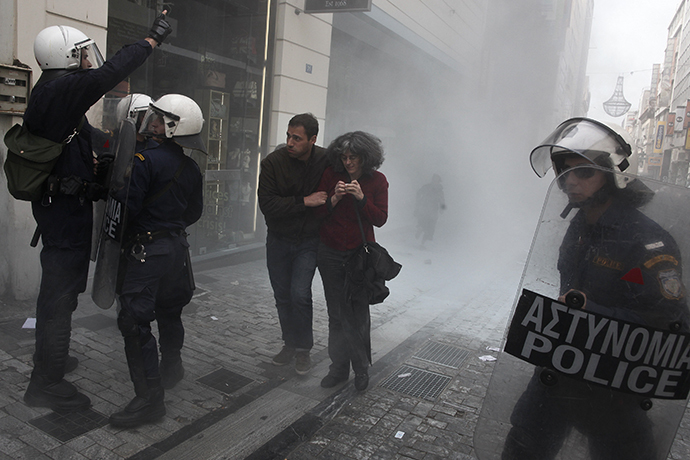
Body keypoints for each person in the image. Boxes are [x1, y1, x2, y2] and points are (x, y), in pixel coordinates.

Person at [502, 117, 690, 460]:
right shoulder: (579, 225)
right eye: (565, 172)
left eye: (584, 172)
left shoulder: (648, 241)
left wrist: (593, 313)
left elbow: (670, 323)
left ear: (612, 175)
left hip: (613, 385)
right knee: (523, 448)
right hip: (559, 370)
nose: (571, 181)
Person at [20, 13, 172, 413]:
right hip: (64, 216)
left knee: (60, 294)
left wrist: (129, 144)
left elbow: (93, 139)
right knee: (59, 297)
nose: (90, 60)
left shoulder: (53, 97)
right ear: (67, 56)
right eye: (83, 53)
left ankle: (49, 361)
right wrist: (150, 41)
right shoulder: (60, 91)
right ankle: (46, 383)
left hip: (60, 213)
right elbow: (109, 73)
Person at [109, 94, 204, 428]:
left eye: (160, 119)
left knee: (134, 322)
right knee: (169, 309)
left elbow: (125, 209)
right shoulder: (191, 167)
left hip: (146, 251)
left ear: (174, 127)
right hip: (176, 250)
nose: (152, 123)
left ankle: (149, 400)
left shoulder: (144, 161)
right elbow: (194, 212)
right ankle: (172, 367)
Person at [315, 131, 388, 391]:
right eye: (344, 157)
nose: (348, 163)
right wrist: (334, 198)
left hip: (359, 255)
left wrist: (361, 199)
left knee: (358, 314)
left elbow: (380, 218)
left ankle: (361, 369)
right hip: (330, 252)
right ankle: (338, 368)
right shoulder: (331, 176)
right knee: (336, 314)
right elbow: (318, 213)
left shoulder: (377, 180)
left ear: (365, 157)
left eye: (353, 158)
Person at [257, 113, 328, 375]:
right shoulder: (272, 163)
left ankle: (303, 350)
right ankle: (290, 343)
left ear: (312, 139)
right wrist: (304, 201)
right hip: (277, 240)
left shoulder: (324, 159)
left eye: (296, 138)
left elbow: (350, 165)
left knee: (300, 293)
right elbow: (267, 205)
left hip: (308, 241)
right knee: (282, 296)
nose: (289, 142)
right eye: (288, 136)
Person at [414, 173, 445, 248]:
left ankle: (421, 229)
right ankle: (423, 242)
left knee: (425, 223)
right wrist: (442, 208)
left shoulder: (427, 187)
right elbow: (442, 200)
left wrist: (419, 203)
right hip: (432, 209)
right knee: (430, 227)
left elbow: (418, 193)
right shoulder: (439, 190)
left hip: (425, 208)